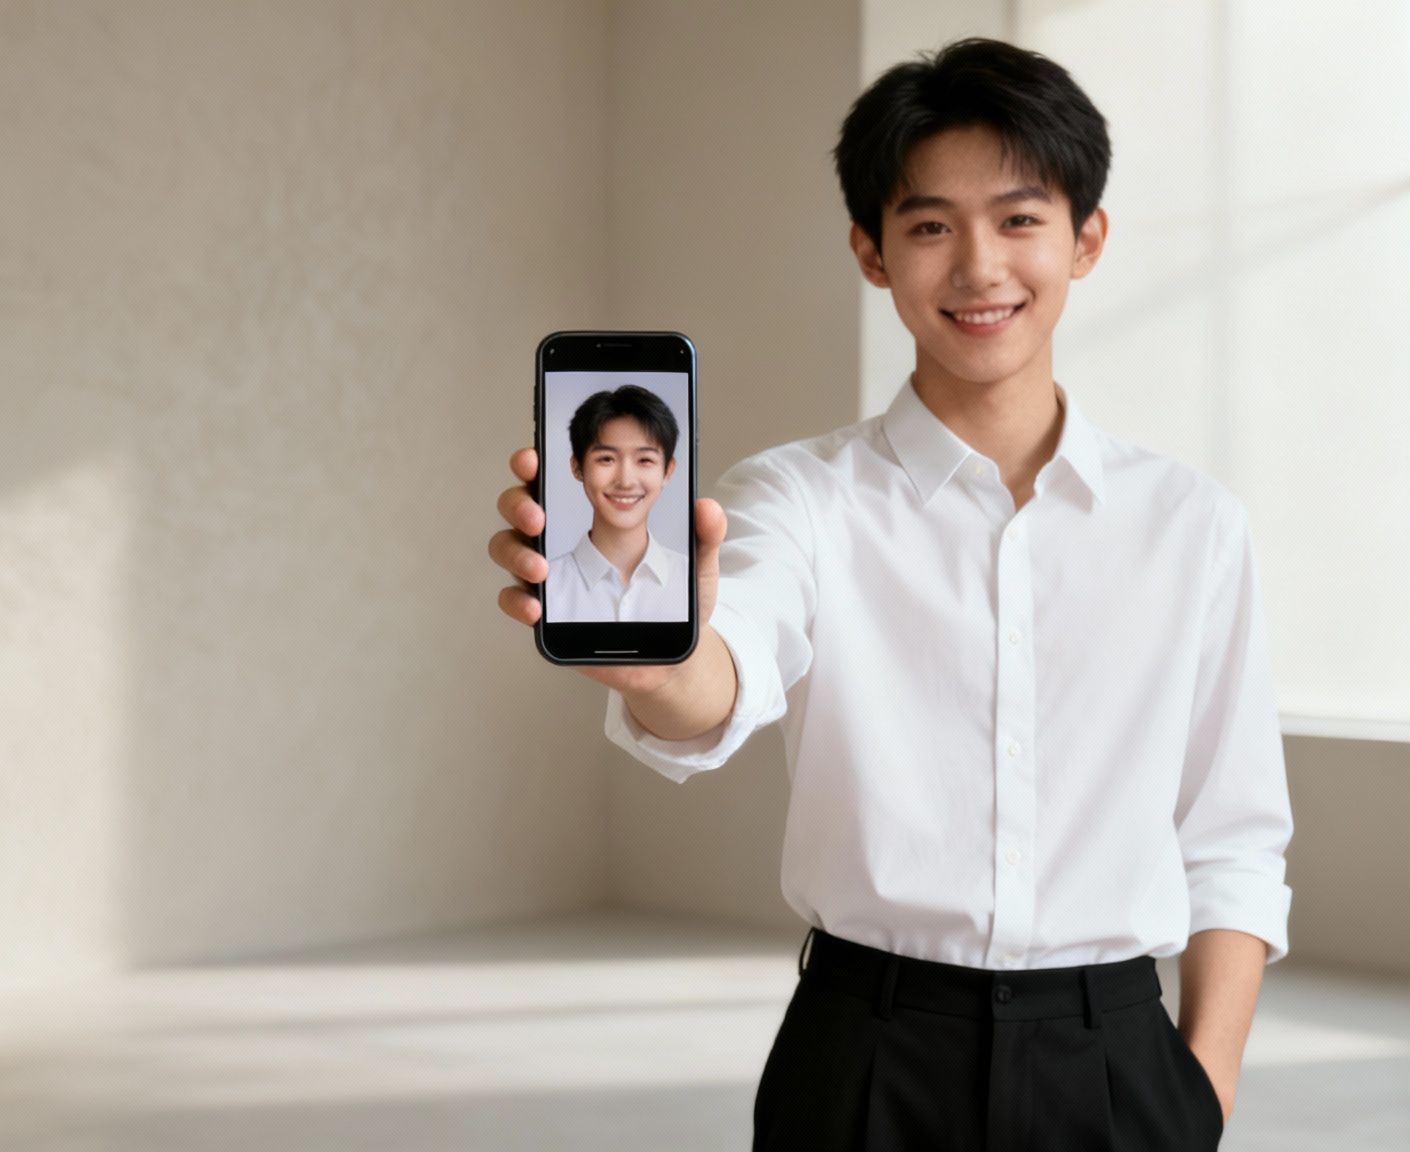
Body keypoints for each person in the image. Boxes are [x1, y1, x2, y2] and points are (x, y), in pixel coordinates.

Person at [490, 37, 1291, 1152]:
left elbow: (1233, 839)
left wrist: (1200, 1089)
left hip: (1115, 1061)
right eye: (927, 226)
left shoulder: (1189, 524)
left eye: (1018, 219)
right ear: (869, 252)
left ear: (1085, 239)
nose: (976, 268)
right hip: (863, 1056)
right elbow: (728, 670)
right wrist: (656, 660)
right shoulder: (797, 498)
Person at [544, 384, 689, 623]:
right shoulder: (547, 585)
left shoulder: (692, 581)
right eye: (606, 459)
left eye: (644, 460)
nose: (625, 481)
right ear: (577, 467)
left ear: (668, 470)